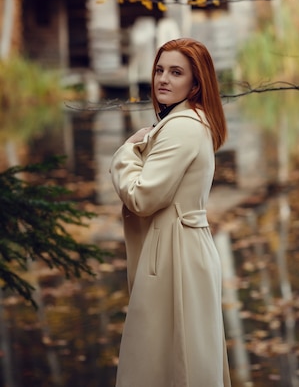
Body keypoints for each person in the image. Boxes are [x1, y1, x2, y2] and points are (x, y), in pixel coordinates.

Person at [110, 37, 231, 387]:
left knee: (166, 361)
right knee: (182, 357)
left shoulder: (182, 126)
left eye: (176, 72)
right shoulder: (192, 121)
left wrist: (126, 152)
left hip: (174, 255)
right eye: (160, 69)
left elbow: (143, 197)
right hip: (182, 249)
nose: (163, 78)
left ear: (196, 83)